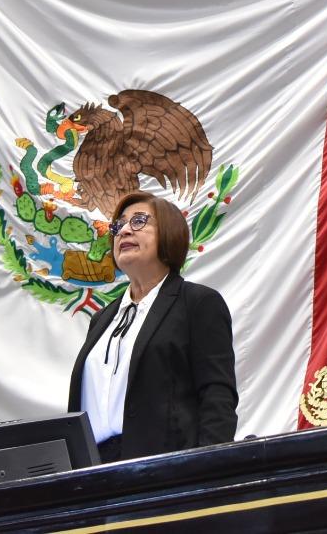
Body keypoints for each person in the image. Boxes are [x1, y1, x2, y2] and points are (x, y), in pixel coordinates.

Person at [67, 192, 238, 461]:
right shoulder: (102, 319)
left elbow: (217, 398)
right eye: (118, 226)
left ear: (169, 233)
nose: (123, 231)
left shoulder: (197, 303)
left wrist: (208, 472)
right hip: (94, 472)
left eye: (138, 221)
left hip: (166, 472)